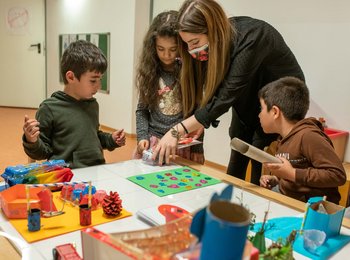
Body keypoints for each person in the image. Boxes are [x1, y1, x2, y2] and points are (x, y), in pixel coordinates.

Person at [152, 0, 304, 185]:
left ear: (212, 29)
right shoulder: (218, 44)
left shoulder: (253, 36)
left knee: (261, 163)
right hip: (247, 101)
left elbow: (227, 93)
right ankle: (229, 206)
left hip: (277, 107)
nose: (192, 50)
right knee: (237, 151)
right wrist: (201, 119)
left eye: (195, 42)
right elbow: (222, 88)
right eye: (187, 44)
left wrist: (177, 130)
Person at [22, 40, 126, 169]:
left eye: (101, 79)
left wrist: (111, 139)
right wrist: (31, 140)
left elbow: (93, 136)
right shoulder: (50, 109)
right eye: (93, 80)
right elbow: (42, 152)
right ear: (71, 77)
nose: (99, 86)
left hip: (97, 170)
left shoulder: (93, 105)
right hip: (67, 177)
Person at [258, 76, 346, 204]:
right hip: (288, 200)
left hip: (311, 212)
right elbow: (297, 173)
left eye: (261, 108)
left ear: (275, 112)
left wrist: (292, 173)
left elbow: (337, 175)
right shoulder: (283, 138)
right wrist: (277, 179)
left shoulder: (309, 136)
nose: (259, 114)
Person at [134, 10, 204, 164]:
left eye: (173, 49)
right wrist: (142, 137)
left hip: (182, 145)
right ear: (153, 47)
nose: (167, 55)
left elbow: (199, 113)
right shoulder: (150, 72)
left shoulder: (191, 71)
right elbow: (142, 110)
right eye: (161, 49)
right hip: (154, 142)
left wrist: (198, 148)